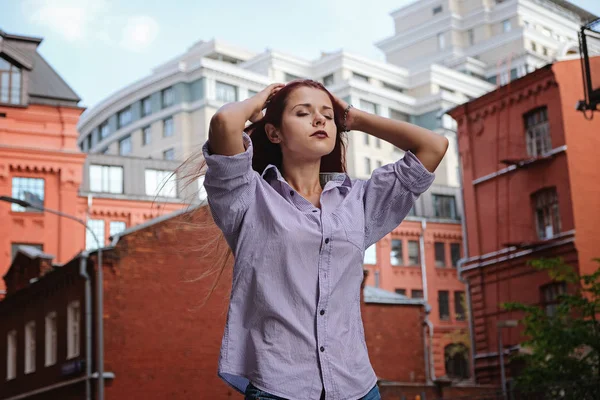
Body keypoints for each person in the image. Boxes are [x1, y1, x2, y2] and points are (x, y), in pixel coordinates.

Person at [202, 80, 448, 400]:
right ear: (274, 133)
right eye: (303, 113)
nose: (319, 120)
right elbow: (225, 123)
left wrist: (353, 118)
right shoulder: (248, 196)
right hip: (280, 388)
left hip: (357, 386)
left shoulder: (359, 201)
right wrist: (262, 100)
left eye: (327, 116)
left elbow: (434, 145)